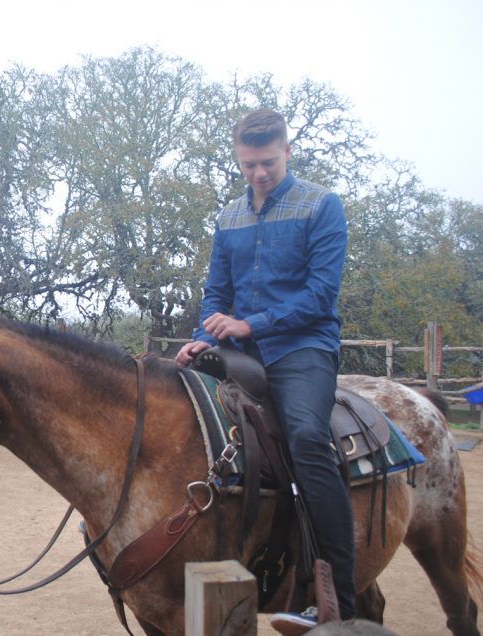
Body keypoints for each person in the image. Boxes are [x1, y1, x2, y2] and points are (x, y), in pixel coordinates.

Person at [175, 109, 354, 633]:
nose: (258, 174)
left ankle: (338, 600)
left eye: (268, 162)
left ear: (287, 152)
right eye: (249, 164)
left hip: (302, 347)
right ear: (238, 157)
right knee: (178, 413)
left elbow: (321, 294)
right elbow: (216, 292)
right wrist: (203, 338)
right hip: (237, 343)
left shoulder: (321, 205)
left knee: (304, 437)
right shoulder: (229, 216)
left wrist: (249, 324)